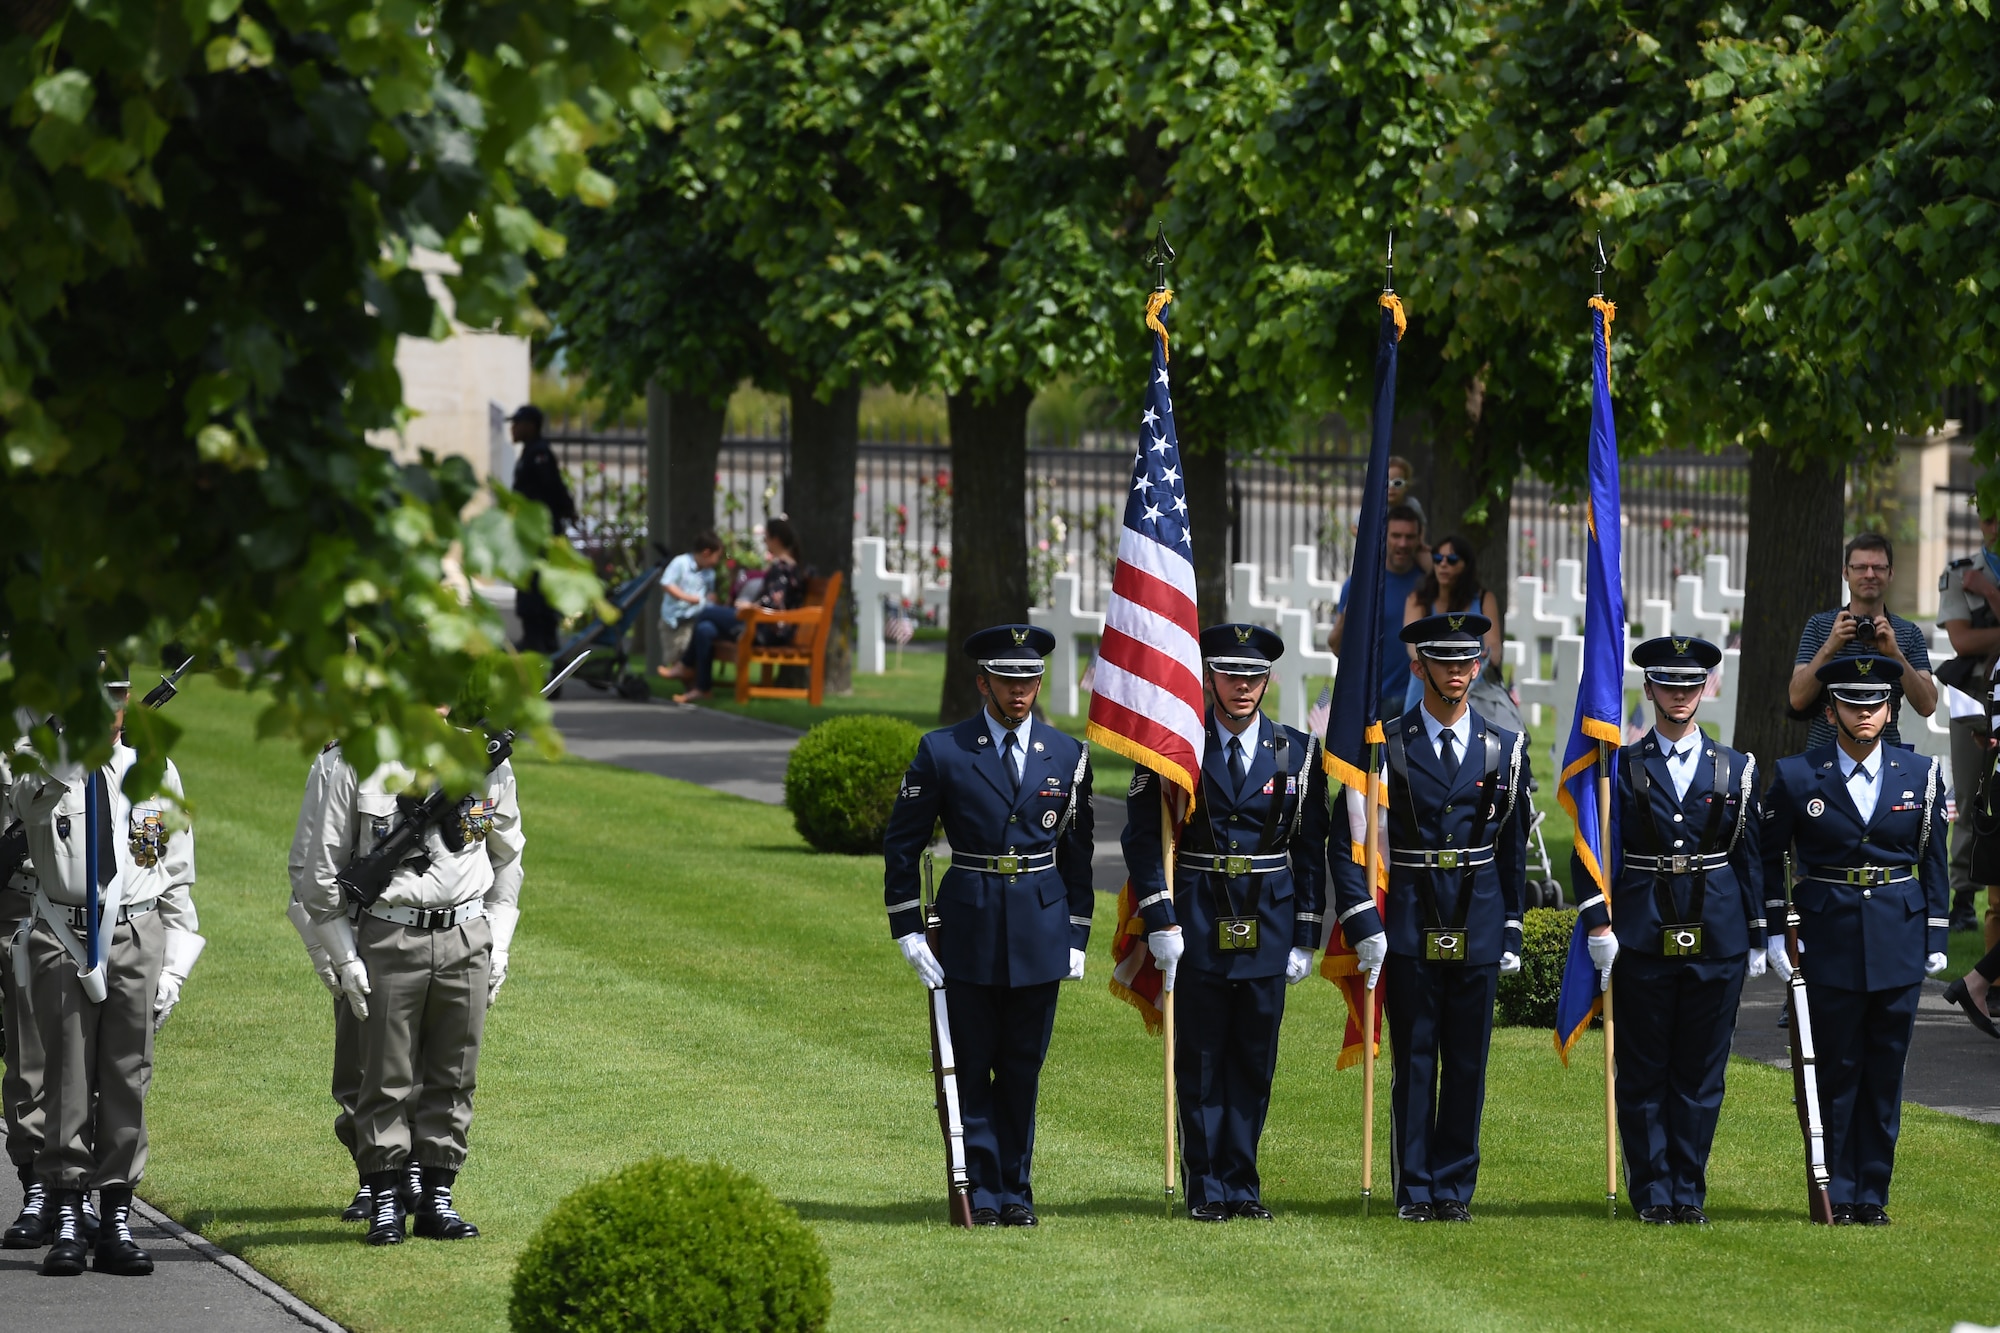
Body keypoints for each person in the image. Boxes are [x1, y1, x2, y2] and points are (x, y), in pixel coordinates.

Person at [881, 625, 1094, 1226]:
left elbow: (1078, 854)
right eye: (1007, 680)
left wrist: (1076, 934)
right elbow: (903, 844)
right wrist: (907, 929)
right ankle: (981, 1194)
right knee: (972, 1065)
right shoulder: (943, 750)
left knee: (1023, 1065)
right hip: (970, 922)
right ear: (983, 683)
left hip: (1040, 923)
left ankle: (1016, 1193)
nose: (1019, 691)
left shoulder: (1067, 754)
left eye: (1029, 679)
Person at [301, 689, 524, 1246]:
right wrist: (343, 955)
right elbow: (318, 875)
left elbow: (508, 856)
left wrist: (498, 939)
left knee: (454, 1071)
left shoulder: (485, 761)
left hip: (466, 934)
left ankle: (437, 1198)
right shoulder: (350, 761)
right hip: (390, 933)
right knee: (385, 1075)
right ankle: (383, 1197)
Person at [1330, 613, 1531, 1222]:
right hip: (1413, 920)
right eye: (1443, 662)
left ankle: (1453, 1189)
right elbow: (1350, 843)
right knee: (1416, 1058)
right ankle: (1414, 1188)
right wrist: (1365, 921)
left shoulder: (1503, 745)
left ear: (1479, 666)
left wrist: (1514, 925)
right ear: (1419, 667)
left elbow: (1514, 847)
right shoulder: (1385, 745)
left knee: (1468, 1063)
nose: (1457, 673)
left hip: (1478, 918)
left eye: (1467, 662)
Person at [1123, 624, 1327, 1221]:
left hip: (1268, 915)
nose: (1242, 686)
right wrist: (1159, 916)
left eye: (1253, 676)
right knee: (1203, 1055)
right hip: (1197, 913)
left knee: (1254, 1056)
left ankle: (1243, 1183)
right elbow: (1142, 837)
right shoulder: (1175, 751)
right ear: (1209, 677)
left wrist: (1306, 935)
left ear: (1269, 681)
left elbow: (1311, 847)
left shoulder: (1296, 753)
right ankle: (1205, 1185)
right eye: (1230, 674)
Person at [15, 673, 204, 1276]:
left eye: (119, 696)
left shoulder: (155, 769)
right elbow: (18, 797)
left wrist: (174, 965)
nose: (111, 708)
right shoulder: (40, 765)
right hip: (64, 933)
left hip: (137, 932)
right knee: (67, 1075)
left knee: (128, 1075)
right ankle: (68, 1213)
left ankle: (117, 1215)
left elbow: (175, 872)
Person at [1578, 636, 1764, 1225]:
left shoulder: (1736, 768)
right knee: (1643, 1069)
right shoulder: (1620, 767)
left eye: (1690, 685)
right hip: (1641, 933)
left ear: (1705, 688)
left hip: (1718, 936)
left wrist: (1761, 937)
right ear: (1648, 688)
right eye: (1668, 684)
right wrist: (1598, 923)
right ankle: (1652, 1191)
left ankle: (1688, 1190)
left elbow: (1749, 859)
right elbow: (1594, 851)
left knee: (1701, 1072)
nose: (1679, 695)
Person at [1760, 655, 1949, 1225]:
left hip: (1898, 932)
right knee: (1835, 1069)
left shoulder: (1921, 775)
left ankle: (1872, 1195)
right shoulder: (1797, 775)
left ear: (1890, 710)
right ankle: (1835, 1190)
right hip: (1829, 935)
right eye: (1851, 703)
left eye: (1874, 704)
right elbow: (1768, 858)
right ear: (1831, 708)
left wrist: (1935, 929)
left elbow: (1934, 859)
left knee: (1885, 1072)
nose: (1864, 713)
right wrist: (1773, 930)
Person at [284, 743, 425, 1226]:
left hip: (419, 931)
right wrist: (330, 955)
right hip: (358, 935)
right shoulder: (339, 762)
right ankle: (374, 1178)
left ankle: (414, 1177)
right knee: (362, 1069)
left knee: (424, 1062)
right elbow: (307, 869)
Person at [1789, 533, 1937, 750]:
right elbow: (1797, 699)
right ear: (1845, 572)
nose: (1869, 574)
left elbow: (1927, 706)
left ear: (1890, 573)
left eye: (1878, 568)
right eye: (1860, 567)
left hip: (1885, 759)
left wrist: (1896, 655)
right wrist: (1830, 647)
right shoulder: (1820, 626)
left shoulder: (1907, 632)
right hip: (1824, 757)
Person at [1936, 503, 2000, 937]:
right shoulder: (1961, 572)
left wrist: (1992, 595)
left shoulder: (1979, 581)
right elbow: (1961, 639)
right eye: (1988, 515)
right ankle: (1963, 897)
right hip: (1976, 694)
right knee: (1973, 790)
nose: (1994, 525)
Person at [0, 748, 51, 1249]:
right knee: (26, 1053)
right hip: (15, 906)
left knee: (90, 1056)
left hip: (83, 905)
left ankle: (76, 1192)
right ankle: (36, 1186)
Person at [676, 517, 810, 703]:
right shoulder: (785, 566)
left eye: (766, 538)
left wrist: (749, 607)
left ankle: (686, 665)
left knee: (707, 612)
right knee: (705, 628)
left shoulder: (783, 567)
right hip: (762, 624)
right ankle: (702, 688)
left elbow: (772, 603)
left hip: (767, 629)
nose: (764, 542)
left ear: (776, 540)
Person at [1328, 503, 1429, 721]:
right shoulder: (1360, 583)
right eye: (1396, 535)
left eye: (1410, 537)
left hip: (1418, 699)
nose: (1403, 543)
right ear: (1384, 536)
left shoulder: (1430, 584)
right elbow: (1337, 647)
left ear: (1419, 539)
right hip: (1372, 702)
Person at [1400, 534, 1503, 716]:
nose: (1443, 565)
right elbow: (1412, 648)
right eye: (1438, 559)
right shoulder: (1418, 599)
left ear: (1466, 565)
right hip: (1424, 689)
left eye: (1452, 559)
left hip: (1469, 689)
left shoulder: (1484, 599)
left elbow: (1493, 651)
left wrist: (1477, 658)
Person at [508, 405, 578, 655]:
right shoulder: (530, 453)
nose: (512, 428)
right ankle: (533, 638)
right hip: (531, 535)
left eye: (517, 423)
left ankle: (540, 642)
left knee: (536, 589)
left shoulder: (539, 455)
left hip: (540, 536)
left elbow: (552, 488)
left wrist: (567, 509)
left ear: (531, 426)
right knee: (529, 586)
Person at [654, 531, 724, 680]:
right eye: (716, 557)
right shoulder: (681, 563)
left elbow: (709, 593)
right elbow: (666, 584)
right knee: (675, 656)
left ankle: (694, 687)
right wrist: (689, 598)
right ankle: (689, 686)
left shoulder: (709, 572)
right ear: (706, 553)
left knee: (690, 655)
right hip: (674, 619)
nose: (716, 562)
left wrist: (711, 598)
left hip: (694, 619)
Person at [1386, 455, 1427, 530]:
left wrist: (1420, 540)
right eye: (1385, 483)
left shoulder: (1412, 505)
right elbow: (1356, 526)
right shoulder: (1375, 507)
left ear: (1406, 486)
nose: (1391, 488)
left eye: (1397, 483)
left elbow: (1422, 525)